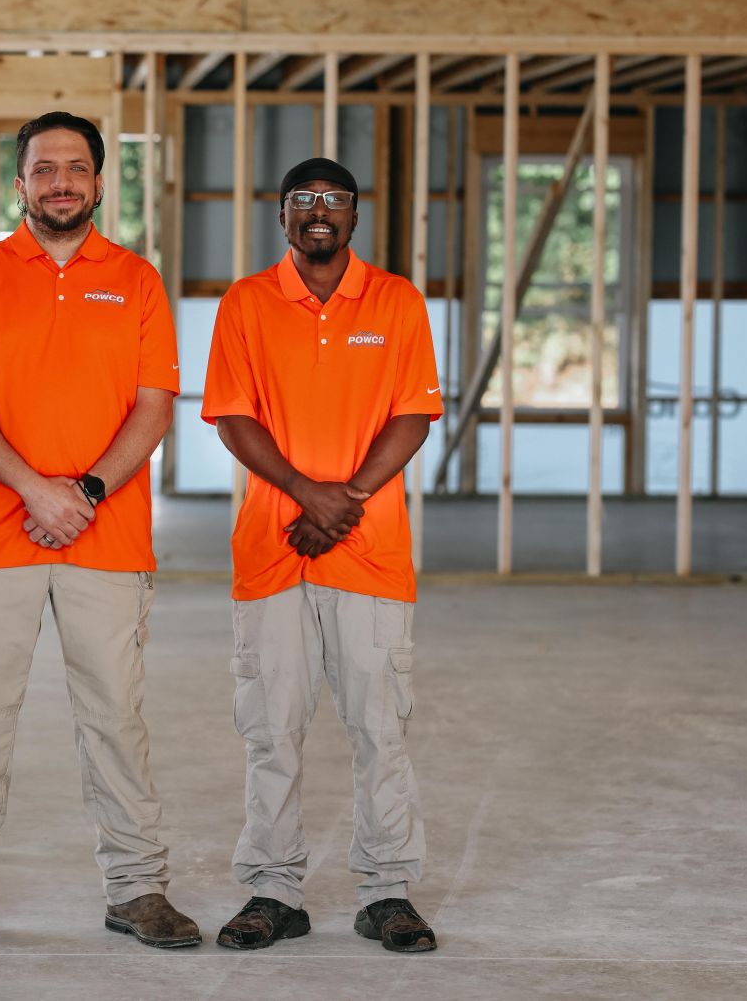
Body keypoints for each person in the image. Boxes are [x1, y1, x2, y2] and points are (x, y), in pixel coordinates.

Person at [0, 112, 199, 950]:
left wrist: (87, 491)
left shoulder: (136, 280)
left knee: (115, 716)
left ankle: (138, 890)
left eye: (76, 167)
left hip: (107, 535)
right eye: (43, 168)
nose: (60, 181)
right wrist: (37, 489)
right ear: (20, 183)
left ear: (100, 183)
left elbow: (155, 405)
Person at [202, 157, 443, 954]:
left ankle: (387, 890)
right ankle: (273, 890)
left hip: (370, 553)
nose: (318, 211)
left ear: (353, 216)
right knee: (271, 730)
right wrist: (311, 493)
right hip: (271, 555)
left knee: (381, 728)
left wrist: (342, 503)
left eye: (333, 200)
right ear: (282, 216)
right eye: (303, 200)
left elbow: (412, 415)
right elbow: (233, 418)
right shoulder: (246, 302)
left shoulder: (398, 301)